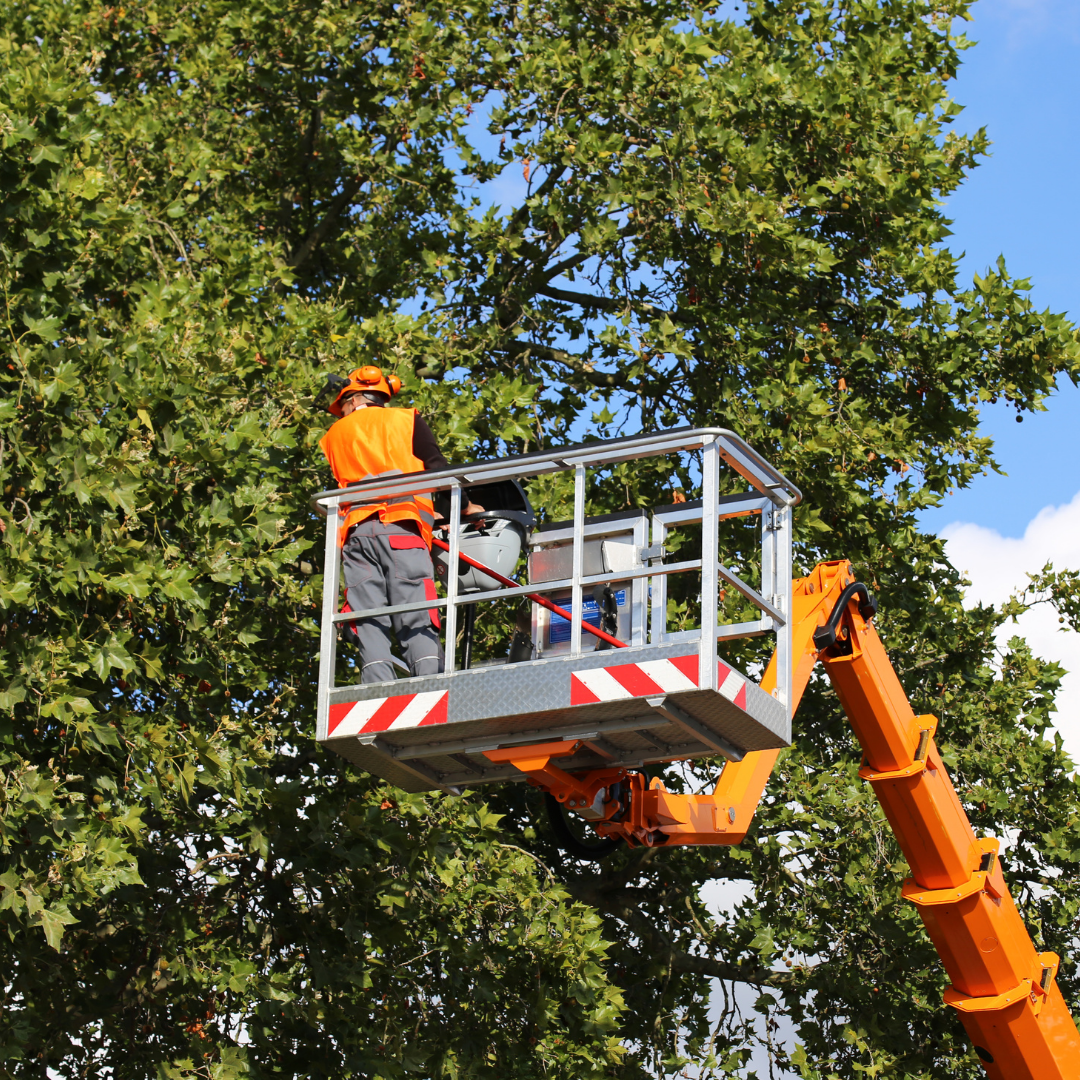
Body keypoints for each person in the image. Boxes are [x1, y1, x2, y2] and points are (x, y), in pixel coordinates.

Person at [317, 365, 482, 683]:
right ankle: (430, 681)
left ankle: (376, 685)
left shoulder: (334, 436)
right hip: (401, 528)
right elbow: (437, 469)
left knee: (367, 615)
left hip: (356, 535)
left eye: (343, 406)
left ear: (353, 398)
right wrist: (462, 508)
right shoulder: (404, 420)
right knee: (415, 607)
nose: (342, 413)